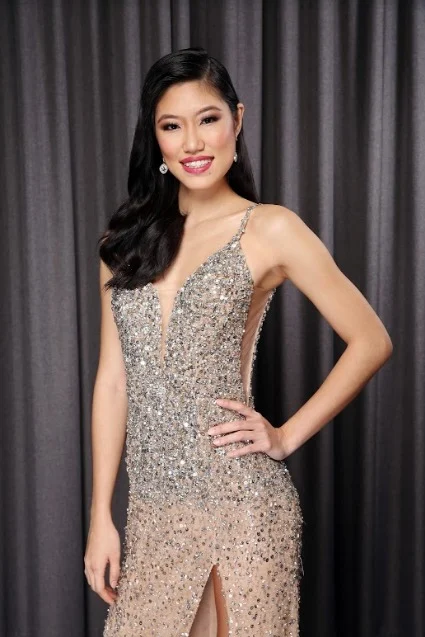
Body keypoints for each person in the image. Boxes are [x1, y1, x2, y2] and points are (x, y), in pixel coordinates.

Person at [84, 47, 393, 637]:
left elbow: (371, 340)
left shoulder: (270, 227)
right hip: (152, 514)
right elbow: (113, 380)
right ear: (155, 137)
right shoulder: (121, 245)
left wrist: (285, 436)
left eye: (208, 119)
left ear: (237, 119)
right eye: (172, 126)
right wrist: (101, 514)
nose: (193, 143)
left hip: (242, 506)